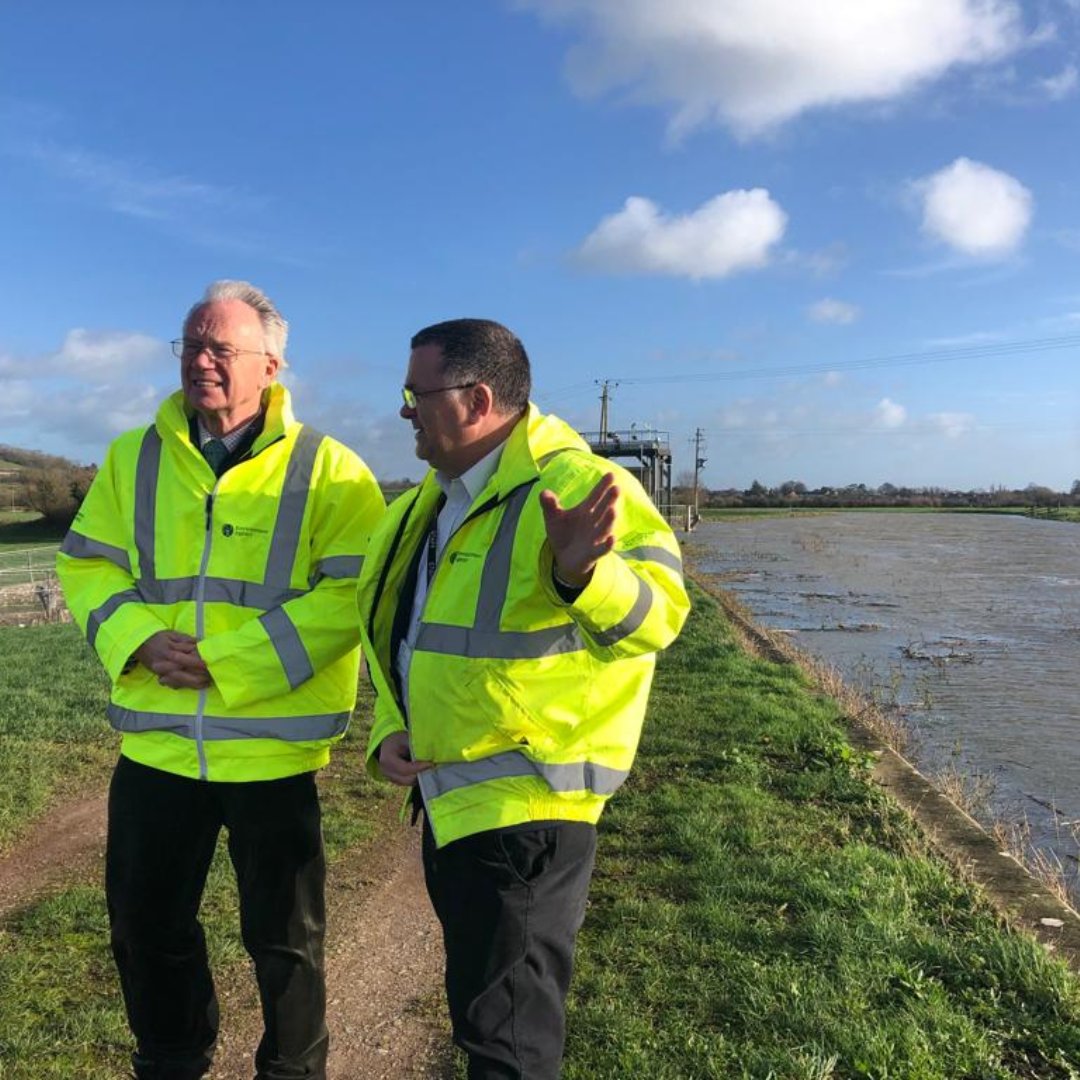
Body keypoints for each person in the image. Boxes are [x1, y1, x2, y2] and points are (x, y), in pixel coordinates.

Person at [55, 280, 385, 1080]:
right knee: (144, 926)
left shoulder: (329, 470)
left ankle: (293, 1070)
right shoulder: (134, 457)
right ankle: (171, 1060)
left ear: (271, 363)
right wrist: (138, 639)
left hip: (272, 755)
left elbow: (353, 595)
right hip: (158, 746)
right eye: (190, 345)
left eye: (219, 348)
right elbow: (88, 567)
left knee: (285, 941)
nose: (199, 361)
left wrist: (231, 663)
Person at [357, 318, 690, 1078]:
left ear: (475, 399)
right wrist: (389, 728)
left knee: (507, 1042)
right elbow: (398, 636)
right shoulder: (424, 506)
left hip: (531, 816)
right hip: (453, 804)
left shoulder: (580, 487)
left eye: (417, 392)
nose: (405, 409)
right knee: (484, 1017)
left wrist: (583, 576)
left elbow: (661, 616)